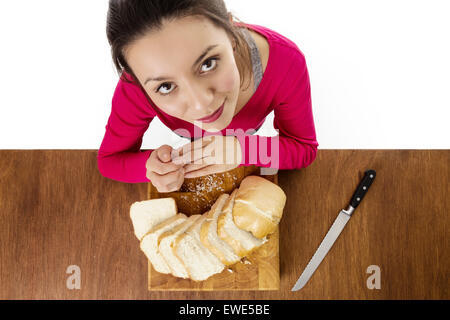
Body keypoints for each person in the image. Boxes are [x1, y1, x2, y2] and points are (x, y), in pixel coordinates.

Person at [98, 0, 319, 192]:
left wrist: (243, 150)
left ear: (231, 35)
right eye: (165, 86)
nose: (201, 104)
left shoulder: (286, 62)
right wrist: (151, 167)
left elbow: (304, 147)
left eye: (208, 63)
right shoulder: (134, 88)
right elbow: (110, 161)